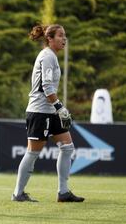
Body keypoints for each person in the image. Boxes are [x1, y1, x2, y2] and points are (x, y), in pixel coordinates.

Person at [11, 24, 84, 203]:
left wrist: (57, 109)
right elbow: (47, 87)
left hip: (51, 111)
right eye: (60, 35)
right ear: (49, 39)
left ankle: (63, 192)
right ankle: (18, 193)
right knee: (33, 153)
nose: (64, 39)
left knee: (67, 148)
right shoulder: (47, 56)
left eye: (65, 35)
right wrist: (61, 108)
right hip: (39, 112)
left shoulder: (52, 56)